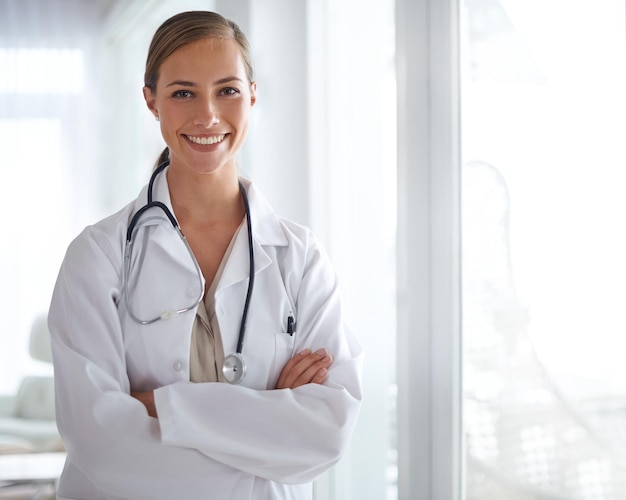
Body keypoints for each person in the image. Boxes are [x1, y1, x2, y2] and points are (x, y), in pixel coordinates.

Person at [48, 10, 362, 500]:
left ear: (253, 94)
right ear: (151, 101)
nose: (208, 115)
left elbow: (326, 434)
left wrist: (159, 407)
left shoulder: (300, 259)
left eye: (228, 90)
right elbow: (99, 442)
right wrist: (267, 419)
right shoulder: (97, 257)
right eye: (182, 93)